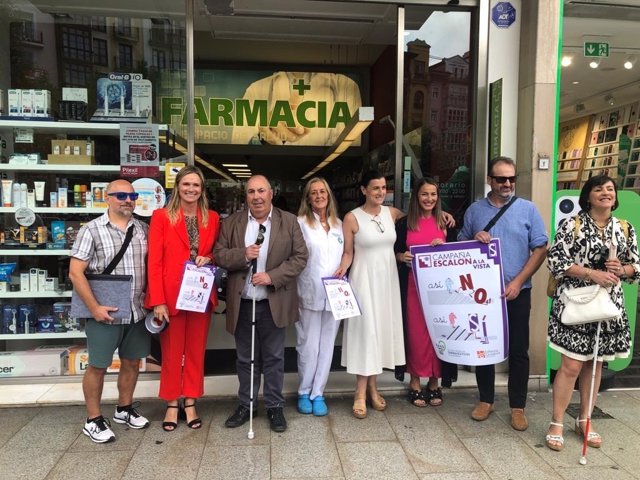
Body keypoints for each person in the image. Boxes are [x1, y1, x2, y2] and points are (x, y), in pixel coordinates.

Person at [545, 174, 639, 451]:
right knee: (572, 364)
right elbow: (556, 260)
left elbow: (636, 265)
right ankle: (557, 421)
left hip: (608, 306)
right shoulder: (571, 225)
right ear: (588, 196)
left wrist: (621, 270)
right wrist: (592, 274)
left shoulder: (625, 228)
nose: (606, 193)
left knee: (595, 364)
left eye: (610, 189)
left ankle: (585, 418)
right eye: (599, 189)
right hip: (576, 302)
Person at [458, 156, 547, 431]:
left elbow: (541, 248)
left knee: (518, 350)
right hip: (483, 294)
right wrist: (474, 239)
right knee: (484, 347)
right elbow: (460, 243)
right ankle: (486, 400)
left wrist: (519, 281)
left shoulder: (528, 209)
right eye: (501, 179)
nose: (507, 183)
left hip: (516, 291)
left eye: (511, 178)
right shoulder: (475, 210)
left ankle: (517, 406)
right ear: (489, 181)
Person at [213, 175, 308, 432]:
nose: (257, 196)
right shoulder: (232, 223)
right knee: (246, 358)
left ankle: (275, 406)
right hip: (243, 301)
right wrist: (242, 254)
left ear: (271, 193)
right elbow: (219, 255)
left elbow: (300, 258)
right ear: (246, 196)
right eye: (252, 191)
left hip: (272, 301)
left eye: (261, 191)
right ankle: (247, 404)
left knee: (275, 357)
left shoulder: (288, 221)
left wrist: (271, 276)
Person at [69, 179, 150, 443]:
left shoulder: (143, 229)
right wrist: (93, 308)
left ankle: (123, 408)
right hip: (103, 312)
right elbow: (75, 272)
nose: (127, 200)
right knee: (98, 366)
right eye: (121, 195)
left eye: (132, 195)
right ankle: (93, 419)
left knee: (132, 362)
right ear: (107, 198)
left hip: (136, 311)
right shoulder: (92, 230)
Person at [145, 166, 220, 432]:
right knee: (172, 353)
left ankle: (191, 400)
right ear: (177, 187)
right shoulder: (161, 217)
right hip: (170, 296)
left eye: (196, 185)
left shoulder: (212, 217)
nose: (191, 189)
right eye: (186, 184)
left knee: (196, 351)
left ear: (202, 189)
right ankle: (171, 402)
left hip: (199, 293)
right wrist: (158, 300)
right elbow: (153, 262)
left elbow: (214, 253)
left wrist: (209, 258)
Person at [335, 170, 406, 419]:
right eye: (375, 188)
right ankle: (360, 392)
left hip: (387, 281)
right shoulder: (352, 218)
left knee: (380, 333)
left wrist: (444, 216)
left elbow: (421, 219)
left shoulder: (393, 213)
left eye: (383, 187)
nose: (380, 192)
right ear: (364, 190)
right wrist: (341, 270)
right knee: (366, 334)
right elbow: (348, 252)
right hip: (363, 282)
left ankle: (373, 388)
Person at [394, 177, 447, 407]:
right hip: (413, 288)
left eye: (433, 194)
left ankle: (434, 381)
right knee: (415, 334)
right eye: (424, 194)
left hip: (441, 291)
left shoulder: (447, 223)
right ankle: (415, 381)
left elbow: (459, 252)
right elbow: (394, 251)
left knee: (439, 333)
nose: (429, 199)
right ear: (416, 196)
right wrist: (400, 256)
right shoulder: (405, 223)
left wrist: (445, 248)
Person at [295, 177, 344, 417]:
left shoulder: (339, 224)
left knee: (327, 346)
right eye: (314, 193)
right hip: (309, 291)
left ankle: (318, 393)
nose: (319, 196)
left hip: (335, 294)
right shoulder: (301, 223)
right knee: (308, 345)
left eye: (322, 191)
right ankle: (304, 391)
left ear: (328, 195)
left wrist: (344, 267)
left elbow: (348, 253)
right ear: (308, 198)